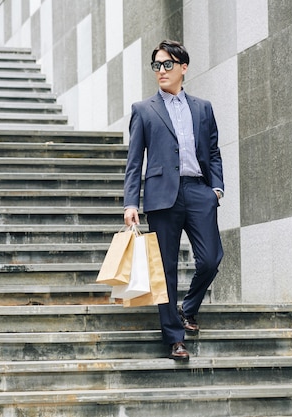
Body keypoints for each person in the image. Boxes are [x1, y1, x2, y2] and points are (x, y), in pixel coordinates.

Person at [123, 40, 224, 361]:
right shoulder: (143, 110)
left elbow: (213, 151)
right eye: (156, 65)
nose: (162, 71)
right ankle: (174, 337)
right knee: (164, 268)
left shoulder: (203, 107)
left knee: (210, 259)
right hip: (161, 197)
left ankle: (189, 307)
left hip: (198, 192)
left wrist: (216, 189)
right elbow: (134, 160)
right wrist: (130, 203)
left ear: (183, 67)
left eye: (168, 64)